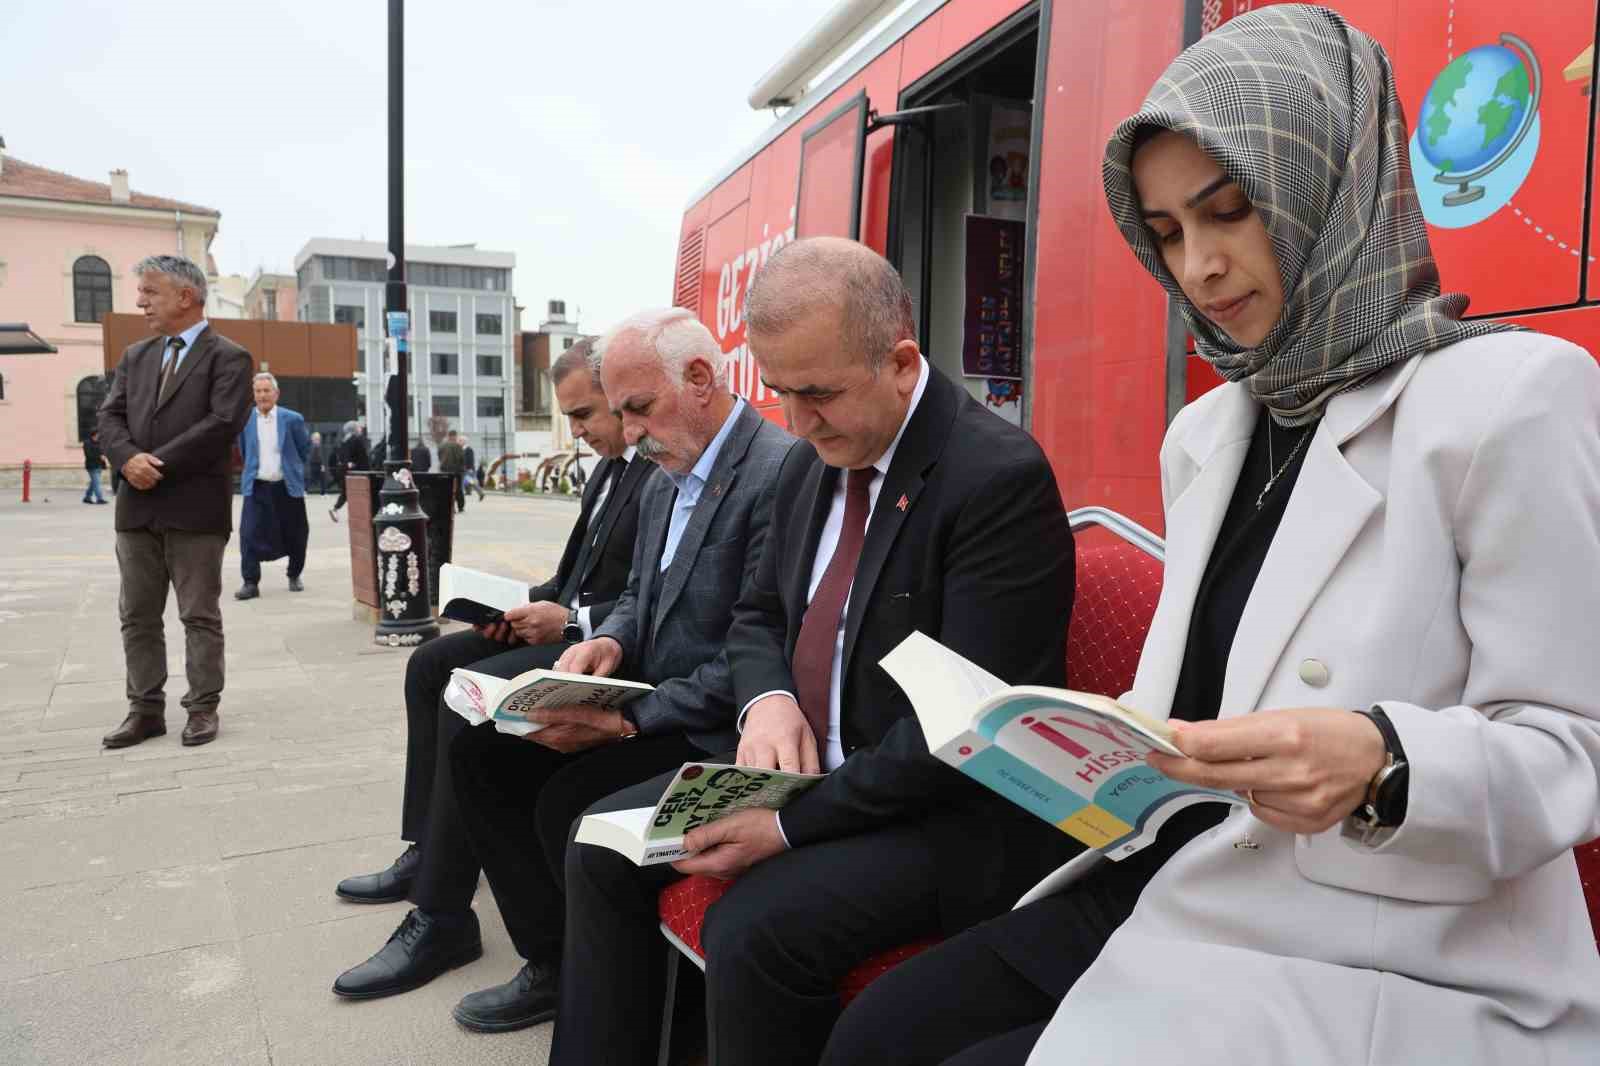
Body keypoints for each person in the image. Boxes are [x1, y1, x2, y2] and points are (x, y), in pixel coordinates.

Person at [824, 9, 1600, 1066]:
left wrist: (1382, 758)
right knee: (877, 1035)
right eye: (1167, 233)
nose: (1200, 266)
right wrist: (1080, 746)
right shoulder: (1208, 429)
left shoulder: (1510, 397)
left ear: (1335, 179)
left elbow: (1573, 743)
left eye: (1229, 210)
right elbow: (1194, 703)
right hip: (1181, 873)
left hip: (1389, 942)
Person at [553, 239, 1079, 1066]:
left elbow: (969, 726)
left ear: (902, 364)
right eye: (782, 393)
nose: (796, 423)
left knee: (757, 928)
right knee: (601, 842)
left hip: (935, 807)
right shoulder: (810, 463)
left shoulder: (994, 479)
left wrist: (789, 824)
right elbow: (758, 616)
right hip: (798, 770)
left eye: (820, 394)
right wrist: (768, 702)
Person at [434, 308, 797, 1034]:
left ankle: (611, 988)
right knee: (482, 752)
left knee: (564, 803)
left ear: (700, 379)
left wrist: (630, 719)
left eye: (638, 408)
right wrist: (610, 646)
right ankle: (552, 960)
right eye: (622, 412)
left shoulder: (778, 471)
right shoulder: (666, 472)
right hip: (650, 693)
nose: (628, 433)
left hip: (713, 725)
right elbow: (638, 595)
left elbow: (758, 651)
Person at [96, 254, 253, 749]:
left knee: (198, 615)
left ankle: (202, 708)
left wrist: (151, 464)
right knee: (137, 614)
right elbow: (108, 416)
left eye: (150, 291)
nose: (140, 301)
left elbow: (222, 423)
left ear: (185, 297)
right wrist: (126, 460)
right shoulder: (136, 356)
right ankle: (145, 710)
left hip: (194, 509)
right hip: (136, 508)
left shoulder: (229, 356)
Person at [235, 372, 312, 600]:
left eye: (266, 390)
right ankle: (250, 583)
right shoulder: (244, 419)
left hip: (287, 486)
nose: (262, 395)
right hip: (257, 486)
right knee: (248, 534)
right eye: (258, 391)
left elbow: (303, 449)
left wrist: (291, 469)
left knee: (297, 534)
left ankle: (294, 574)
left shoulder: (293, 419)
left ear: (276, 393)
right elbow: (243, 450)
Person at [328, 420, 368, 523]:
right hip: (358, 472)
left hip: (346, 471)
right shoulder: (356, 440)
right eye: (358, 427)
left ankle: (335, 509)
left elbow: (344, 457)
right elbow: (363, 457)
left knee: (346, 493)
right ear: (354, 429)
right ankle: (360, 515)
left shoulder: (344, 440)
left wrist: (347, 464)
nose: (360, 429)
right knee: (359, 493)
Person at [440, 429, 467, 512]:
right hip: (457, 471)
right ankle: (460, 507)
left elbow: (439, 456)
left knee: (447, 489)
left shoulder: (442, 446)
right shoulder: (458, 446)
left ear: (449, 436)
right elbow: (462, 459)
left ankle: (451, 507)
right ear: (455, 436)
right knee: (458, 489)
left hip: (445, 470)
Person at [82, 430, 108, 504]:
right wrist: (99, 457)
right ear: (94, 434)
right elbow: (88, 455)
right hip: (91, 466)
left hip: (99, 465)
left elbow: (102, 452)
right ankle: (99, 499)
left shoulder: (99, 443)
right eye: (98, 434)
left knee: (94, 483)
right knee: (97, 482)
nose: (99, 436)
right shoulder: (87, 443)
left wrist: (103, 456)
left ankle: (87, 497)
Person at [460, 434, 485, 502]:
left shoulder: (469, 449)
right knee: (469, 482)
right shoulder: (462, 449)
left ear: (464, 441)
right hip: (463, 470)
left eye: (460, 440)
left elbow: (471, 459)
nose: (459, 442)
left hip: (468, 470)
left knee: (470, 482)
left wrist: (470, 469)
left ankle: (480, 493)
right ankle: (479, 493)